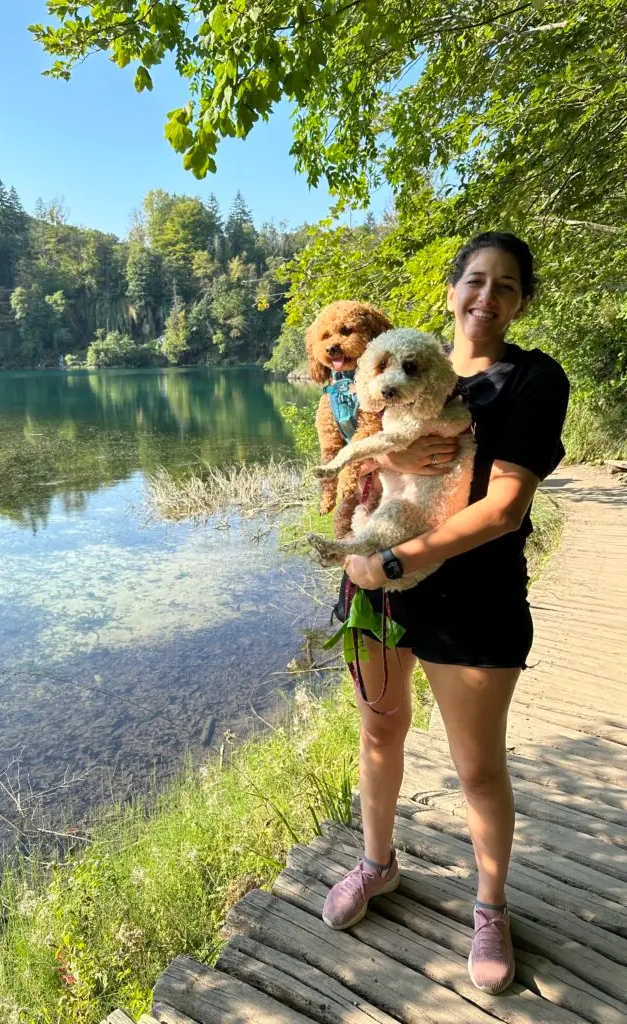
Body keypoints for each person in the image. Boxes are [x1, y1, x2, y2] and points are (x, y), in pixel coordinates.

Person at [322, 232, 570, 995]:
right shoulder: (396, 369)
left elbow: (503, 509)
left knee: (477, 767)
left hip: (472, 598)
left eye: (504, 286)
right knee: (378, 729)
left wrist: (398, 559)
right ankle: (377, 863)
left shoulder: (530, 380)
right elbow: (356, 458)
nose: (485, 298)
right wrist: (386, 463)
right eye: (474, 281)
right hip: (377, 587)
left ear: (522, 300)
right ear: (451, 289)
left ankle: (490, 907)